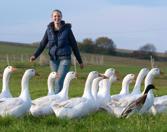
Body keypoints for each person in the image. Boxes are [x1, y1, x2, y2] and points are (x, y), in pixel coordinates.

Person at [30, 9, 84, 93]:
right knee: (56, 81)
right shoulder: (49, 30)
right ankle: (60, 100)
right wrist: (35, 55)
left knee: (59, 80)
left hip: (65, 59)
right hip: (53, 60)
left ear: (61, 17)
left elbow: (74, 45)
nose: (57, 17)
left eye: (59, 16)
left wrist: (80, 61)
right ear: (52, 17)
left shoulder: (67, 30)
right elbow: (42, 44)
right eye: (55, 16)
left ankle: (55, 102)